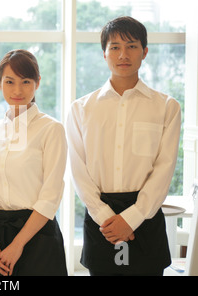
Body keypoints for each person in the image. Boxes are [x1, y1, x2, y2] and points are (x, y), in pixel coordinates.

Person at [66, 16, 181, 276]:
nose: (123, 54)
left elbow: (164, 169)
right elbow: (78, 170)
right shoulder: (81, 109)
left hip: (146, 215)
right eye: (115, 47)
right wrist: (106, 217)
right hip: (100, 217)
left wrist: (131, 219)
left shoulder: (166, 107)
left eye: (131, 46)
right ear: (104, 54)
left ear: (145, 52)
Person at [0, 49, 68, 276]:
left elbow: (50, 196)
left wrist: (18, 245)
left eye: (26, 81)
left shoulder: (51, 129)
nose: (17, 90)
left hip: (37, 237)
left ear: (37, 83)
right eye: (9, 81)